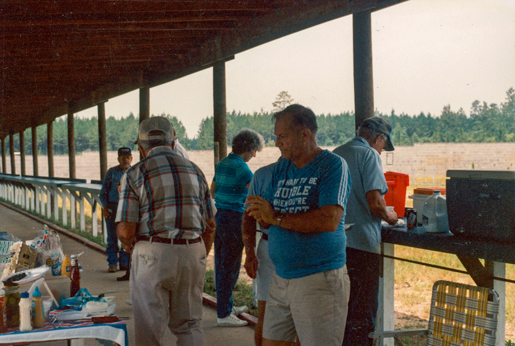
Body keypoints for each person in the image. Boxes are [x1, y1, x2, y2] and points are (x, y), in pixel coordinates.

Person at [246, 104, 352, 346]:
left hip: (318, 278)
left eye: (282, 136)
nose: (277, 143)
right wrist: (261, 214)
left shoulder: (333, 165)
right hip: (280, 276)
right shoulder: (282, 167)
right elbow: (272, 215)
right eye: (276, 136)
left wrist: (275, 218)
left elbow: (329, 219)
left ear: (305, 134)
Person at [116, 116, 216, 346]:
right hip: (192, 250)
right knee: (190, 324)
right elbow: (210, 225)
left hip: (153, 252)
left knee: (150, 328)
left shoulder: (134, 174)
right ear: (173, 143)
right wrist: (201, 253)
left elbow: (125, 229)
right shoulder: (196, 170)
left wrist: (128, 244)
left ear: (141, 148)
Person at [333, 116, 399, 346]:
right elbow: (375, 202)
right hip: (362, 245)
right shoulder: (369, 154)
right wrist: (392, 217)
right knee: (362, 312)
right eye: (383, 144)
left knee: (342, 310)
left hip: (336, 243)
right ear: (379, 137)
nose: (381, 150)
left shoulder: (336, 152)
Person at [210, 128, 265, 327]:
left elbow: (213, 191)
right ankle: (224, 315)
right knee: (231, 266)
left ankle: (225, 306)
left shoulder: (223, 162)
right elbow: (255, 193)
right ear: (248, 148)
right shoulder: (242, 168)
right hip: (235, 218)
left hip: (220, 216)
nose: (255, 155)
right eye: (254, 150)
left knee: (221, 263)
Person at [242, 161, 278, 345]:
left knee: (296, 320)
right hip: (270, 247)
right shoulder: (262, 174)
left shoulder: (263, 174)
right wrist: (249, 253)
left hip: (274, 247)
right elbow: (248, 216)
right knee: (266, 316)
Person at [100, 147, 132, 273]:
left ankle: (124, 262)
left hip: (128, 209)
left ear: (131, 158)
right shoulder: (112, 172)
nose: (126, 160)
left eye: (128, 157)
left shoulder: (134, 172)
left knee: (126, 237)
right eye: (123, 157)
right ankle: (112, 262)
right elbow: (103, 193)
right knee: (112, 236)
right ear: (118, 159)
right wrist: (105, 207)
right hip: (113, 208)